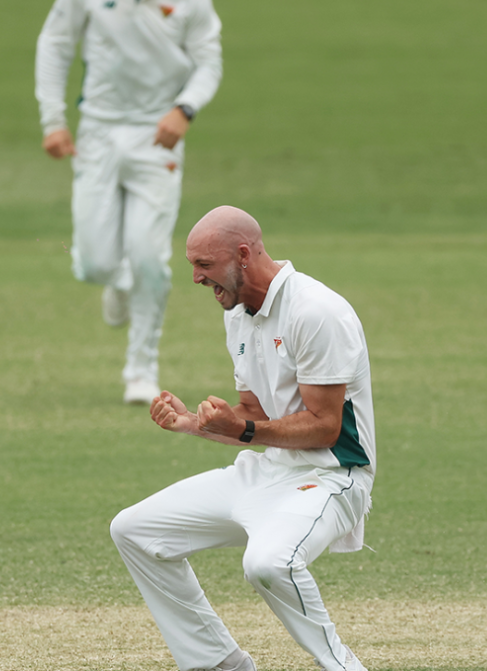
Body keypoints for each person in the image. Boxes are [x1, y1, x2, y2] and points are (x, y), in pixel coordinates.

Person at [109, 206, 376, 671]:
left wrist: (246, 429)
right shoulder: (238, 311)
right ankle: (219, 664)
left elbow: (324, 426)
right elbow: (252, 414)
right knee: (135, 530)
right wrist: (194, 422)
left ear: (244, 255)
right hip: (270, 471)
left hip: (333, 478)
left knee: (268, 564)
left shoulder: (316, 312)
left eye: (203, 265)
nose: (194, 278)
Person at [35, 0, 222, 404]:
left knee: (149, 256)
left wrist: (184, 110)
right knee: (96, 263)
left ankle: (141, 369)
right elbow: (55, 43)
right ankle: (117, 279)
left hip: (158, 136)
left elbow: (209, 62)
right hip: (98, 131)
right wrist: (53, 120)